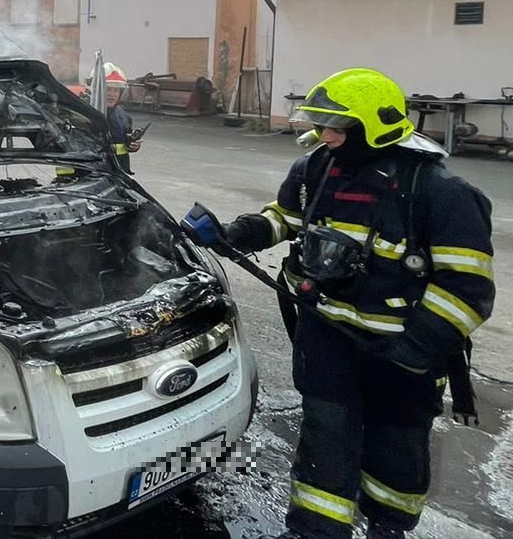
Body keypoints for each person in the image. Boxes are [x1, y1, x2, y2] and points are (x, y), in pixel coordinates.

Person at [184, 68, 495, 539]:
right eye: (323, 124)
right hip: (327, 336)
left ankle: (389, 526)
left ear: (375, 128)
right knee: (325, 436)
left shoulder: (441, 193)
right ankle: (315, 530)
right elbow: (286, 217)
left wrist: (415, 351)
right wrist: (238, 233)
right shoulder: (316, 168)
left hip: (403, 352)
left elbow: (469, 289)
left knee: (397, 447)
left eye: (336, 127)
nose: (324, 134)